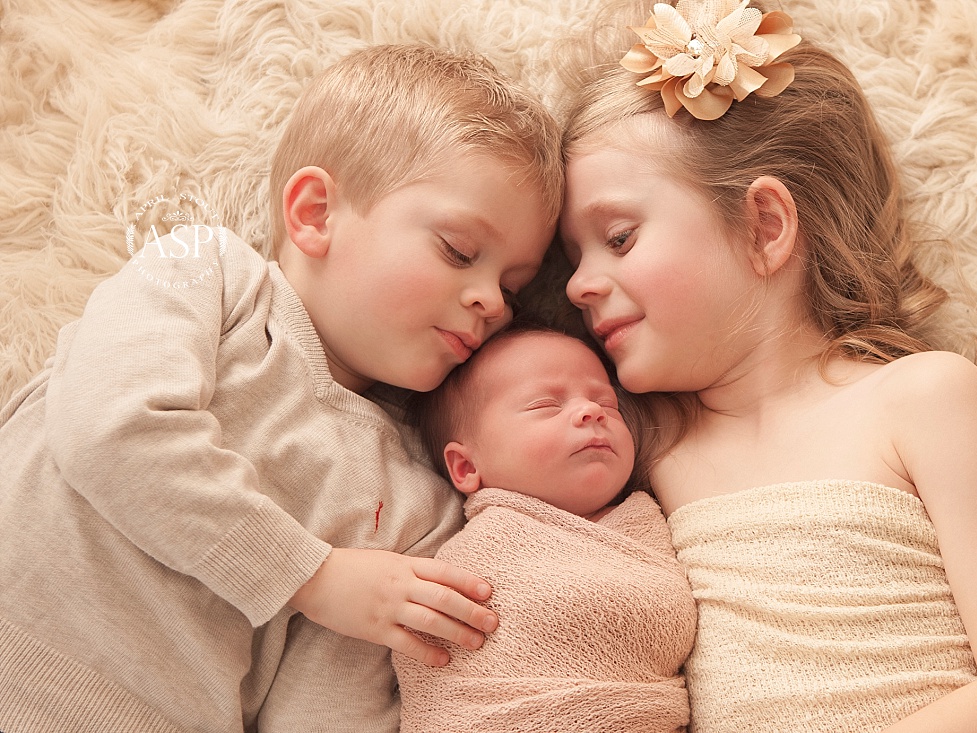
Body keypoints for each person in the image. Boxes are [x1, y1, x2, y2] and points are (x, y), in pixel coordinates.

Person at [556, 1, 977, 731]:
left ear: (765, 226)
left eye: (617, 237)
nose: (576, 284)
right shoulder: (641, 443)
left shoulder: (924, 398)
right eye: (571, 256)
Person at [0, 45, 561, 733]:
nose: (491, 303)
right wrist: (312, 577)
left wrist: (340, 592)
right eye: (458, 250)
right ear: (315, 212)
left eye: (511, 287)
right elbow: (111, 429)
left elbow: (324, 704)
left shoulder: (420, 498)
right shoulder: (203, 267)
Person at [393, 325, 697, 733]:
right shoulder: (474, 559)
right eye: (545, 405)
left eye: (608, 403)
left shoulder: (653, 520)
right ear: (466, 467)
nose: (592, 412)